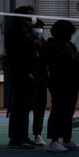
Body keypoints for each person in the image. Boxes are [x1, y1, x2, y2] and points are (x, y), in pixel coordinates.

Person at [42, 20, 79, 153]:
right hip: (58, 82)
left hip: (71, 81)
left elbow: (72, 59)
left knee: (69, 111)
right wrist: (72, 57)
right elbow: (54, 62)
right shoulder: (51, 45)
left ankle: (67, 139)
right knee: (58, 110)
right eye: (67, 33)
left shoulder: (69, 44)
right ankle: (54, 140)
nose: (69, 36)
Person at [4, 5, 39, 149]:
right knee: (19, 107)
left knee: (25, 107)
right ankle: (16, 138)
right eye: (29, 14)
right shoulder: (15, 33)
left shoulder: (28, 32)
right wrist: (25, 72)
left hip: (30, 73)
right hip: (21, 75)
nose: (32, 17)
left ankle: (23, 136)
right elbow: (16, 56)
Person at [30, 19, 48, 147]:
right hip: (29, 80)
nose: (39, 29)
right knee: (24, 107)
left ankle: (37, 134)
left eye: (41, 27)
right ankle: (21, 135)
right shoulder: (26, 42)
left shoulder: (44, 43)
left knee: (40, 108)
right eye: (37, 27)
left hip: (42, 79)